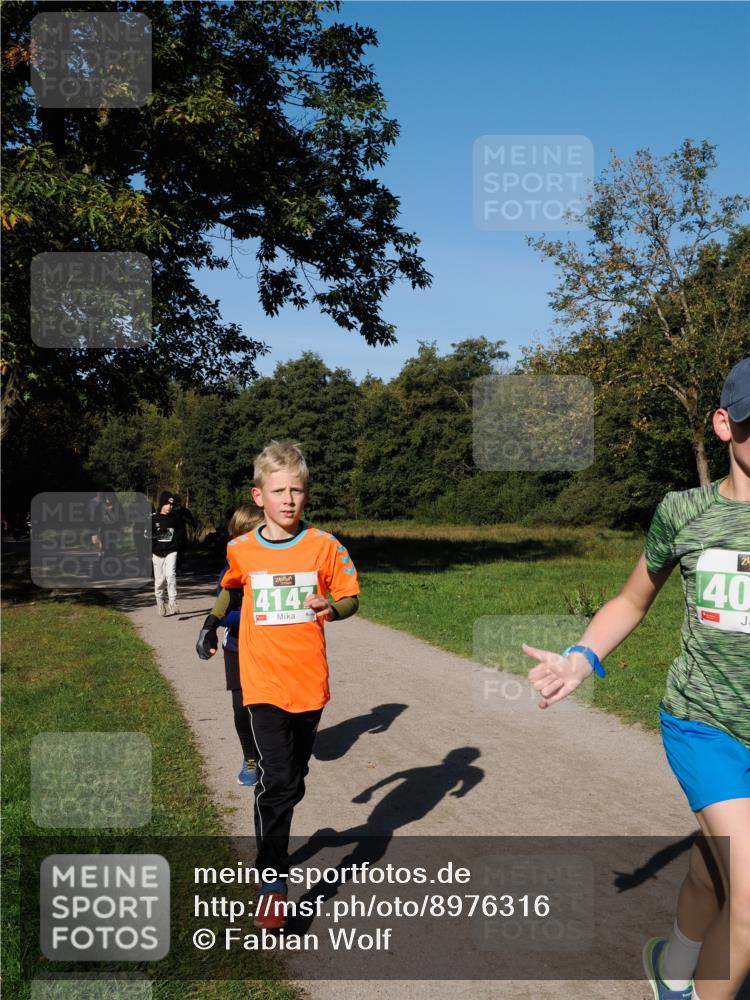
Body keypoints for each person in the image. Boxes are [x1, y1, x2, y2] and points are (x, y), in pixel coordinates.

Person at [523, 358, 750, 1000]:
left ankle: (672, 969)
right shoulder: (684, 512)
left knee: (717, 870)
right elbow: (631, 600)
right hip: (704, 723)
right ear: (724, 424)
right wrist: (580, 658)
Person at [198, 440, 360, 930]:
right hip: (261, 683)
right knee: (277, 780)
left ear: (306, 495)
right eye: (278, 491)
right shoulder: (241, 549)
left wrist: (331, 607)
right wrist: (208, 623)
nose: (289, 499)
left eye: (297, 490)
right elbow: (230, 588)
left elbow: (352, 597)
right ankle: (272, 881)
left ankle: (278, 824)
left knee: (293, 779)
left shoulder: (325, 546)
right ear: (259, 495)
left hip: (308, 684)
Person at [196, 504, 263, 787]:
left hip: (270, 648)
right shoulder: (230, 569)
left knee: (269, 706)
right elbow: (225, 608)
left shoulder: (280, 564)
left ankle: (272, 754)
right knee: (240, 708)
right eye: (243, 537)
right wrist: (210, 627)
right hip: (236, 646)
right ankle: (251, 757)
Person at [149, 490, 185, 616]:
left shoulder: (175, 518)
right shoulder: (153, 518)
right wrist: (158, 534)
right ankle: (160, 602)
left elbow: (181, 531)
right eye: (167, 504)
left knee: (170, 575)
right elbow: (145, 535)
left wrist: (176, 541)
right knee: (160, 580)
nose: (170, 507)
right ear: (161, 504)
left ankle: (173, 602)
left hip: (171, 551)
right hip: (157, 553)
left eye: (172, 505)